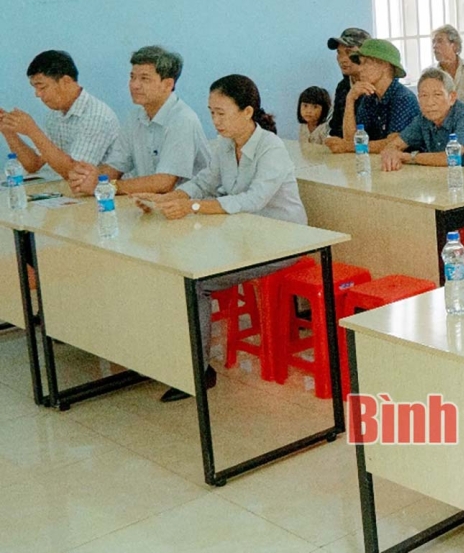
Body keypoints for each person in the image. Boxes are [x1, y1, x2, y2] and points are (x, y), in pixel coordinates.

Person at [134, 75, 306, 402]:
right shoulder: (225, 146)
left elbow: (252, 200)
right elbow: (203, 182)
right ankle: (166, 359)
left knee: (198, 282)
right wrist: (168, 198)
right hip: (243, 239)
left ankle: (198, 372)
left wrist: (192, 206)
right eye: (211, 113)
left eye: (221, 113)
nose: (215, 121)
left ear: (247, 112)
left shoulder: (272, 148)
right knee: (172, 267)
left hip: (283, 243)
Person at [68, 46, 210, 198]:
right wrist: (88, 178)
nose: (134, 85)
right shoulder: (134, 118)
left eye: (144, 79)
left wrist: (108, 186)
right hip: (151, 203)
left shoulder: (182, 119)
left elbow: (164, 182)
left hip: (192, 209)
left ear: (168, 84)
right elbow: (115, 166)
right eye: (132, 77)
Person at [1, 50, 120, 181]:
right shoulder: (55, 114)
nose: (37, 94)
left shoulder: (96, 116)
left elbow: (76, 174)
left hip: (102, 194)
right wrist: (8, 130)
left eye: (42, 87)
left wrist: (33, 131)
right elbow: (33, 164)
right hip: (69, 191)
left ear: (66, 81)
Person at [380, 68, 464, 171]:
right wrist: (391, 153)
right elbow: (395, 144)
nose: (430, 103)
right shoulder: (423, 118)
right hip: (448, 178)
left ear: (452, 98)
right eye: (424, 96)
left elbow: (450, 157)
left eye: (437, 95)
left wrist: (410, 157)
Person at [335, 38, 420, 152]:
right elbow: (352, 139)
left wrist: (346, 147)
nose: (360, 69)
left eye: (366, 62)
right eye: (360, 63)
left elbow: (393, 144)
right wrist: (350, 99)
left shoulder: (403, 98)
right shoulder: (369, 98)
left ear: (385, 65)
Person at [324, 27, 369, 139]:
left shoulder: (376, 86)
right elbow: (335, 126)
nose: (342, 59)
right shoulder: (343, 86)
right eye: (339, 53)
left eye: (349, 52)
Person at [430, 25, 464, 112]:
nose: (434, 46)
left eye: (440, 41)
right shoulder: (429, 74)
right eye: (433, 42)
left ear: (454, 45)